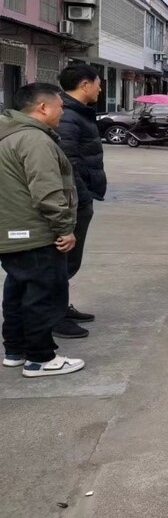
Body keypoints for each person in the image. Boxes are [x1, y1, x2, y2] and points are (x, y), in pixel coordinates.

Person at [0, 83, 84, 377]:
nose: (63, 111)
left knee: (17, 290)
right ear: (43, 107)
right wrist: (65, 228)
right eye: (60, 106)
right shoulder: (34, 140)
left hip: (11, 232)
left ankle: (15, 350)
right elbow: (47, 191)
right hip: (34, 232)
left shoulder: (8, 134)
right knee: (43, 295)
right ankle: (39, 358)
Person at [55, 64, 105, 339]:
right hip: (75, 198)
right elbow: (67, 162)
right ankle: (55, 316)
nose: (100, 88)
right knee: (65, 260)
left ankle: (61, 307)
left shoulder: (77, 113)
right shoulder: (69, 116)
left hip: (81, 195)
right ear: (85, 84)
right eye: (97, 83)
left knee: (69, 260)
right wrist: (82, 197)